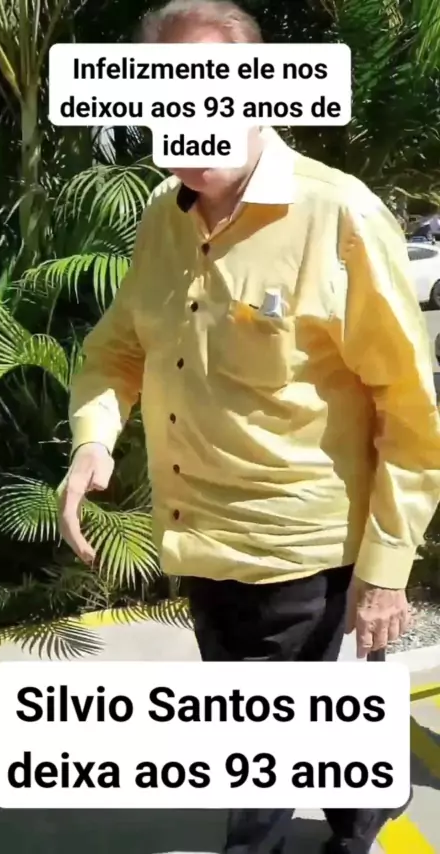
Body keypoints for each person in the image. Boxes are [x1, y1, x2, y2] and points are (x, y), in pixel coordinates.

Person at [59, 2, 440, 852]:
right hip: (200, 542)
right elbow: (118, 349)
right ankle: (363, 809)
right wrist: (93, 439)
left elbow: (411, 412)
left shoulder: (338, 216)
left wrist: (385, 573)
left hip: (300, 554)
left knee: (257, 759)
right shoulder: (164, 215)